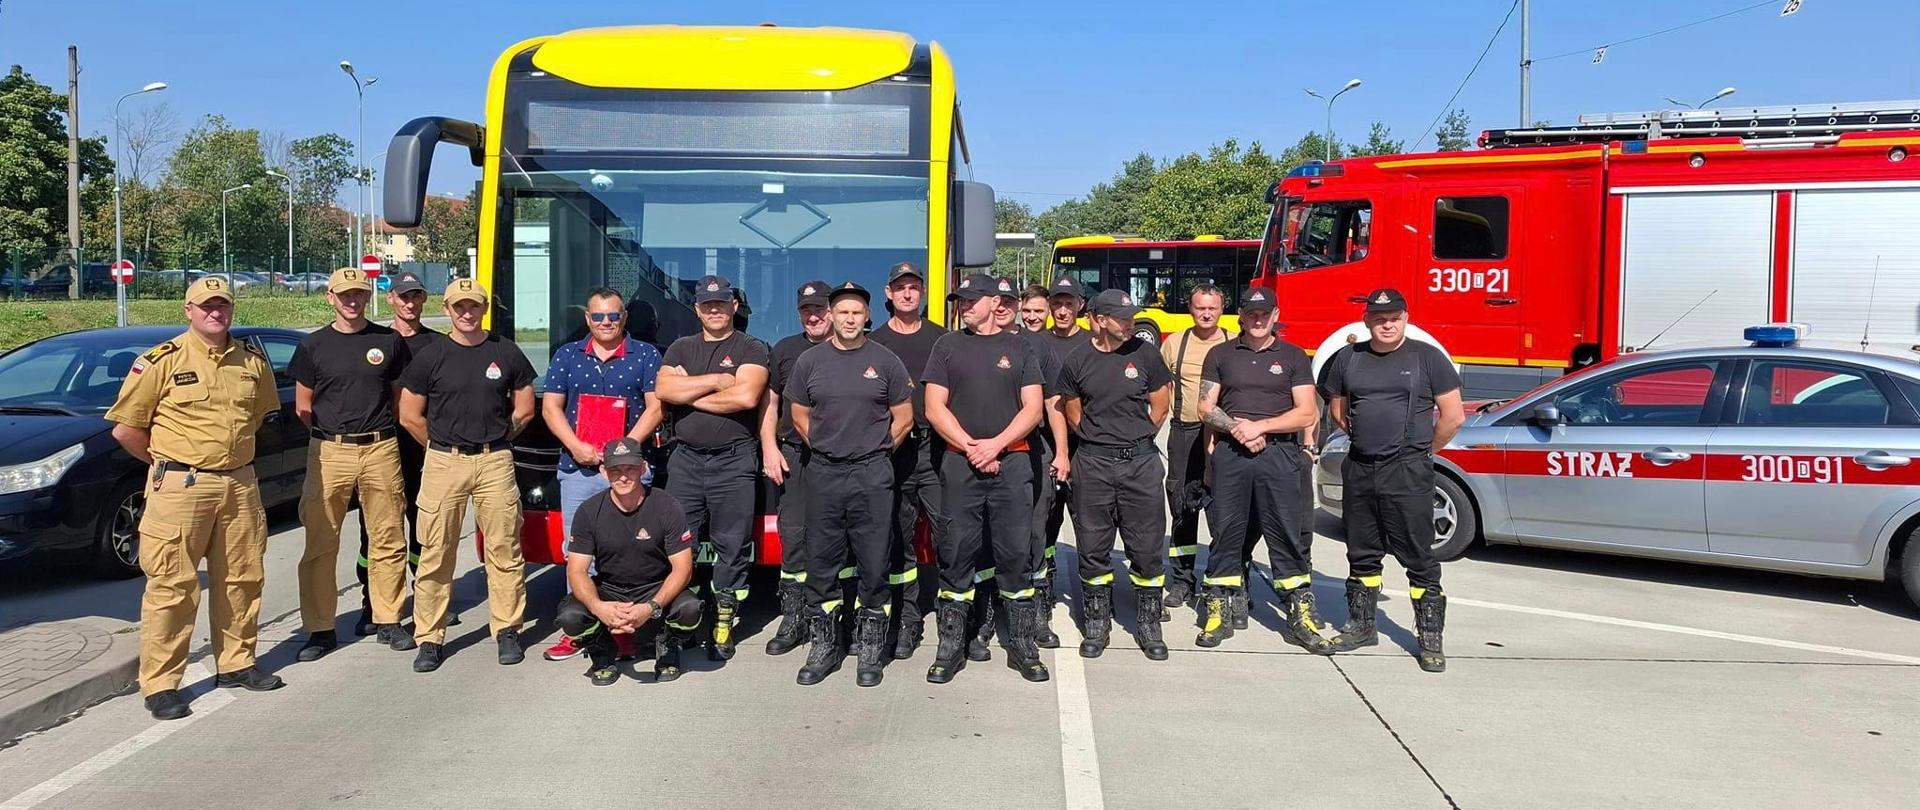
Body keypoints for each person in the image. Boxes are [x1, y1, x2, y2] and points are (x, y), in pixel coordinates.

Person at [107, 276, 283, 721]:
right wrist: (170, 463)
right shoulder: (161, 361)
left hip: (239, 484)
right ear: (188, 310)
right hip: (181, 488)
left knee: (242, 578)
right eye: (206, 306)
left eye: (222, 305)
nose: (215, 312)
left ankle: (237, 662)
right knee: (173, 587)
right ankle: (162, 683)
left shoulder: (251, 363)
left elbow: (258, 418)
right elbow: (126, 428)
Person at [397, 278, 538, 671]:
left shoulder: (504, 351)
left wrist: (495, 438)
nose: (466, 312)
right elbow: (409, 415)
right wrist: (441, 445)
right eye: (458, 306)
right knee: (435, 553)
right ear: (447, 309)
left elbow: (525, 407)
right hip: (445, 462)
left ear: (483, 308)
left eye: (473, 305)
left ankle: (507, 629)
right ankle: (429, 636)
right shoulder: (431, 355)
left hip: (495, 460)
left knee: (505, 550)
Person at [1323, 288, 1465, 673]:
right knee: (1362, 552)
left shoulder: (1427, 358)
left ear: (1405, 318)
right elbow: (1338, 410)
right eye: (1380, 318)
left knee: (1419, 557)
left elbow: (1452, 416)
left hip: (1408, 470)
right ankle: (1361, 625)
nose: (1387, 324)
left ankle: (1430, 636)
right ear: (1367, 320)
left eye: (1395, 318)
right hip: (1361, 468)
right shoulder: (1348, 359)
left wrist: (1423, 450)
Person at [923, 273, 1049, 684]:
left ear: (994, 302)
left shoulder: (1020, 346)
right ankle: (950, 647)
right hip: (960, 464)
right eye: (960, 300)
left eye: (971, 300)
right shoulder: (947, 345)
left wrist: (995, 446)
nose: (963, 306)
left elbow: (1033, 409)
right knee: (956, 552)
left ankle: (1023, 646)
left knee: (1015, 553)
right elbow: (934, 407)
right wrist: (971, 446)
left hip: (1012, 464)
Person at [788, 282, 914, 686]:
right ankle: (824, 646)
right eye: (841, 312)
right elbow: (799, 414)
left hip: (873, 474)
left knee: (874, 561)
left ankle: (870, 646)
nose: (848, 319)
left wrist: (875, 451)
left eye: (856, 313)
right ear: (830, 315)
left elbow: (904, 417)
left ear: (867, 317)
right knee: (822, 560)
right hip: (824, 472)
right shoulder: (810, 361)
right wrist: (827, 448)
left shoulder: (887, 361)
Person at [289, 268, 413, 662]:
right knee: (321, 541)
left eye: (359, 294)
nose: (352, 301)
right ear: (331, 298)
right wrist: (332, 438)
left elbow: (398, 399)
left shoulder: (387, 341)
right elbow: (303, 406)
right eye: (344, 295)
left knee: (388, 538)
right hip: (330, 450)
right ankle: (321, 629)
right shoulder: (313, 346)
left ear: (368, 296)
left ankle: (388, 619)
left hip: (379, 447)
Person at [1195, 286, 1326, 652]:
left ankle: (1300, 616)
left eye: (1264, 313)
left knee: (1286, 534)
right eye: (1251, 313)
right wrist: (1240, 429)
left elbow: (1306, 412)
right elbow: (1205, 408)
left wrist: (1261, 427)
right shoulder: (1220, 354)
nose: (1257, 319)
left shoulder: (1295, 356)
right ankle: (1218, 611)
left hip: (1279, 456)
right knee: (1226, 533)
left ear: (1275, 315)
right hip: (1232, 456)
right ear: (1241, 315)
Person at [538, 288, 665, 663]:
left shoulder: (646, 355)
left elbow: (656, 409)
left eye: (613, 316)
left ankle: (629, 631)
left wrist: (623, 450)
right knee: (578, 552)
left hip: (628, 470)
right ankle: (578, 631)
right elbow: (551, 409)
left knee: (632, 552)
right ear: (587, 319)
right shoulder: (567, 355)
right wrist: (575, 445)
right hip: (578, 469)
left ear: (623, 318)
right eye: (598, 317)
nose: (606, 323)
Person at [655, 275, 770, 661]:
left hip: (734, 460)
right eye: (707, 304)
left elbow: (747, 396)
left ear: (734, 306)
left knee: (732, 546)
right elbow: (664, 390)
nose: (714, 309)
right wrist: (719, 382)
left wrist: (692, 395)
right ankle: (680, 622)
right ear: (696, 309)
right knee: (677, 544)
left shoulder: (751, 347)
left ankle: (724, 621)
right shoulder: (681, 347)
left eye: (721, 303)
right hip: (684, 460)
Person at [1059, 289, 1175, 660]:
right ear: (1100, 319)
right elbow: (1074, 414)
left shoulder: (1146, 355)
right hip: (1093, 463)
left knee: (1146, 545)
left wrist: (1136, 439)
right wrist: (1102, 442)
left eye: (1131, 317)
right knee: (1093, 545)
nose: (1130, 323)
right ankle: (1097, 622)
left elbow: (1160, 405)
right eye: (1122, 318)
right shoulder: (1078, 360)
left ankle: (1148, 623)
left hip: (1139, 463)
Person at [553, 438, 703, 686]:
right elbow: (577, 570)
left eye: (630, 468)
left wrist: (652, 607)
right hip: (610, 588)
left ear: (643, 468)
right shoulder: (589, 511)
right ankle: (602, 653)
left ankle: (667, 647)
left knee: (690, 609)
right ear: (603, 472)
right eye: (615, 470)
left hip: (655, 586)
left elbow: (683, 568)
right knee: (570, 615)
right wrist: (598, 606)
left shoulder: (667, 506)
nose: (623, 477)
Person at [349, 272, 442, 637]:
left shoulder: (438, 345)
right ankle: (371, 604)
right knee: (374, 534)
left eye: (416, 296)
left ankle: (426, 602)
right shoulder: (377, 341)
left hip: (425, 449)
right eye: (403, 296)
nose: (409, 303)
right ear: (391, 299)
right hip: (382, 450)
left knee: (426, 532)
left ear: (424, 300)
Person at [867, 262, 947, 660]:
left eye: (914, 287)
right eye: (900, 288)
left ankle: (956, 622)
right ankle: (906, 620)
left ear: (923, 293)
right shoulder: (874, 343)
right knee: (898, 542)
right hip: (893, 453)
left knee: (950, 534)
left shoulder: (942, 340)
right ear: (888, 293)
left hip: (935, 451)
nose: (907, 294)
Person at [759, 280, 832, 657]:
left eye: (820, 308)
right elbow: (770, 406)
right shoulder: (785, 350)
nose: (814, 316)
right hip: (794, 455)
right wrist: (769, 447)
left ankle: (832, 618)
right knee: (795, 535)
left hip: (839, 458)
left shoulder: (852, 348)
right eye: (807, 310)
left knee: (840, 536)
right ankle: (793, 618)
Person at [1160, 284, 1234, 609]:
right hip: (1184, 432)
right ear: (1190, 309)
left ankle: (1226, 582)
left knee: (1225, 513)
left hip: (1225, 436)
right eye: (1200, 308)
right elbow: (1159, 391)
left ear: (1222, 310)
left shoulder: (1235, 344)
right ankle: (1182, 581)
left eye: (1212, 308)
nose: (1206, 314)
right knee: (1182, 508)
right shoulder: (1175, 344)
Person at [1014, 284, 1070, 649]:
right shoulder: (970, 342)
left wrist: (1061, 452)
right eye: (1027, 310)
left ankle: (1036, 609)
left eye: (1039, 310)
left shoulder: (1042, 348)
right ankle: (990, 612)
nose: (1032, 316)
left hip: (1038, 447)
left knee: (1039, 530)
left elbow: (1054, 405)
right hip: (990, 452)